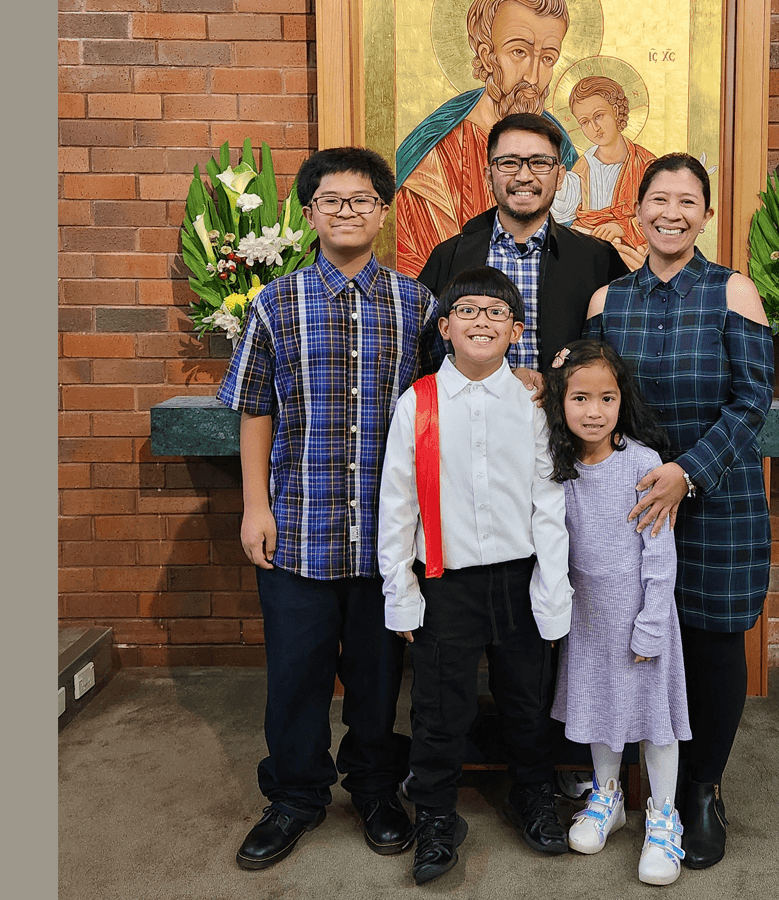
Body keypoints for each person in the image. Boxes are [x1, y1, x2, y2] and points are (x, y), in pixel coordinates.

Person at [218, 147, 439, 870]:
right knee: (296, 675)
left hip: (384, 539)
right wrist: (256, 506)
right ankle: (295, 796)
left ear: (383, 211)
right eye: (332, 200)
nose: (347, 211)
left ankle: (375, 788)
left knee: (378, 679)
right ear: (309, 214)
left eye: (362, 199)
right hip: (299, 529)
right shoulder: (274, 304)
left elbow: (442, 407)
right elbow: (254, 409)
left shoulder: (416, 304)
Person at [585, 153, 775, 870]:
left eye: (687, 200)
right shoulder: (607, 302)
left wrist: (686, 475)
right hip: (632, 506)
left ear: (706, 213)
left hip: (717, 497)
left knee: (711, 641)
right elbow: (598, 401)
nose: (671, 212)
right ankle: (637, 789)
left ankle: (701, 789)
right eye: (658, 199)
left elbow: (753, 401)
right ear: (637, 212)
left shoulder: (734, 292)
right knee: (635, 642)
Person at [378, 266, 573, 884]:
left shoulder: (534, 405)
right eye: (468, 310)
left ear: (516, 331)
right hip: (446, 582)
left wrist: (552, 586)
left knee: (526, 698)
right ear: (444, 327)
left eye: (496, 313)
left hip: (518, 579)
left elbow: (550, 500)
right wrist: (401, 594)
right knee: (441, 706)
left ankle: (533, 793)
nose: (481, 321)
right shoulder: (419, 402)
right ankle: (437, 813)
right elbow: (397, 504)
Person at [542, 338, 692, 886]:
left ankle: (662, 815)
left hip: (639, 615)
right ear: (561, 401)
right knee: (599, 710)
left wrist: (652, 621)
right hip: (588, 621)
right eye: (580, 398)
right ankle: (606, 799)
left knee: (655, 722)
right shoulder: (556, 464)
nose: (594, 411)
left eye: (607, 398)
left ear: (622, 401)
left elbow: (659, 554)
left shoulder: (643, 462)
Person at [418, 112, 628, 383]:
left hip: (562, 421)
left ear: (561, 176)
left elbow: (616, 357)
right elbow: (425, 357)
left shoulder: (598, 259)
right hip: (468, 417)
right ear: (488, 176)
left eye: (540, 162)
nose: (524, 176)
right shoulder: (448, 257)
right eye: (509, 163)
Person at [395, 0, 578, 276]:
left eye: (547, 58)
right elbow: (420, 271)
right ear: (486, 55)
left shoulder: (565, 152)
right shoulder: (436, 159)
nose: (533, 76)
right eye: (519, 52)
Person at [550, 75, 657, 269]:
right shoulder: (583, 167)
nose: (594, 128)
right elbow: (560, 213)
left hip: (632, 255)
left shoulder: (646, 164)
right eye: (584, 122)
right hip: (587, 255)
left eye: (599, 116)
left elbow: (659, 217)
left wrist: (622, 227)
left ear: (615, 111)